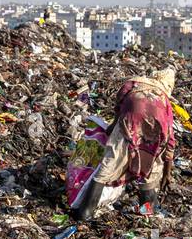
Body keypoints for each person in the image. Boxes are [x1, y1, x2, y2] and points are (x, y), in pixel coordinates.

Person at [71, 68, 178, 222]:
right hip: (155, 134)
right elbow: (170, 139)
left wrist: (113, 125)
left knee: (108, 166)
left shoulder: (135, 82)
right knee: (149, 172)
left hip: (129, 125)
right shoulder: (164, 101)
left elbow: (120, 104)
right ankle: (146, 212)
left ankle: (85, 213)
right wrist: (167, 172)